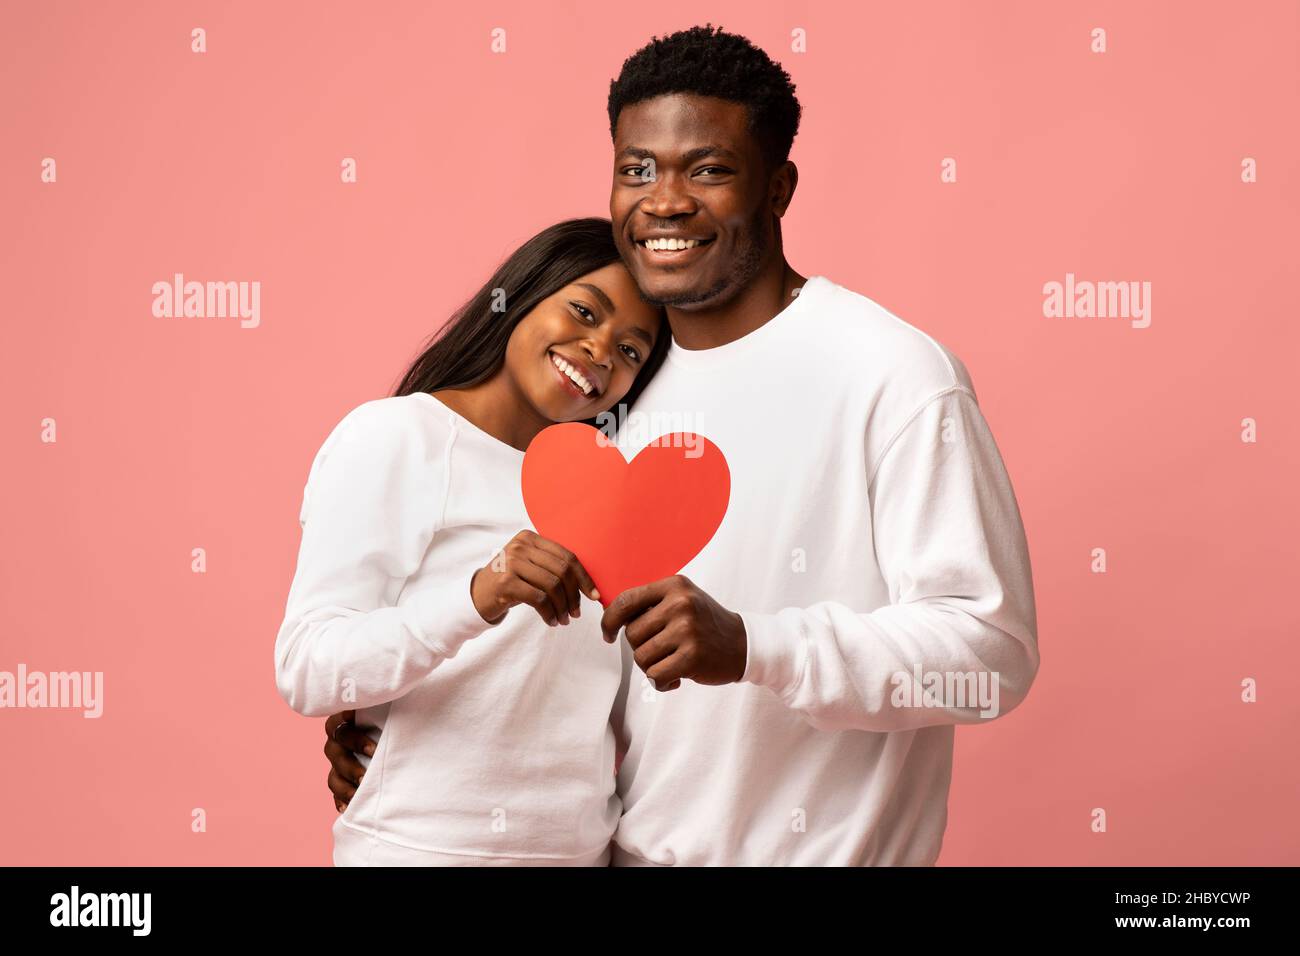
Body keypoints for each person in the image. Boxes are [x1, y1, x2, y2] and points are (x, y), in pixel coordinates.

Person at [325, 25, 1040, 866]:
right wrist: (402, 733)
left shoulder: (894, 375)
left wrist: (754, 646)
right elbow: (549, 643)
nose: (663, 201)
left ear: (778, 188)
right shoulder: (611, 386)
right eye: (637, 169)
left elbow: (991, 657)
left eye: (707, 169)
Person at [275, 217, 668, 865]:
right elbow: (308, 668)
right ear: (522, 292)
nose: (601, 350)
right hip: (420, 848)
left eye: (631, 351)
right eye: (583, 310)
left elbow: (609, 703)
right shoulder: (398, 438)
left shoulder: (613, 492)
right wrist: (477, 597)